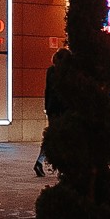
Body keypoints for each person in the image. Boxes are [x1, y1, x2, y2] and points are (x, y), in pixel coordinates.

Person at [33, 46, 72, 178]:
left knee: (52, 136)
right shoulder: (68, 73)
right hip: (64, 109)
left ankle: (40, 161)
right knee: (65, 137)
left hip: (52, 109)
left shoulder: (51, 71)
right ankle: (63, 165)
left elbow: (47, 91)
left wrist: (47, 107)